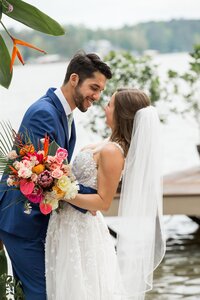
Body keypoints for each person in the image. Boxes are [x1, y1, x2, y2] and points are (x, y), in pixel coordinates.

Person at [0, 51, 112, 299]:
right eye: (94, 87)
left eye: (101, 91)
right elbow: (45, 177)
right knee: (44, 294)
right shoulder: (45, 113)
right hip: (23, 222)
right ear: (74, 79)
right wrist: (92, 199)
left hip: (36, 222)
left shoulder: (64, 114)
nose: (96, 96)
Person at [45, 88, 166, 300]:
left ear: (121, 113)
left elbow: (103, 202)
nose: (104, 107)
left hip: (80, 230)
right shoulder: (108, 143)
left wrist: (60, 190)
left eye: (109, 104)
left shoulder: (113, 151)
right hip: (67, 224)